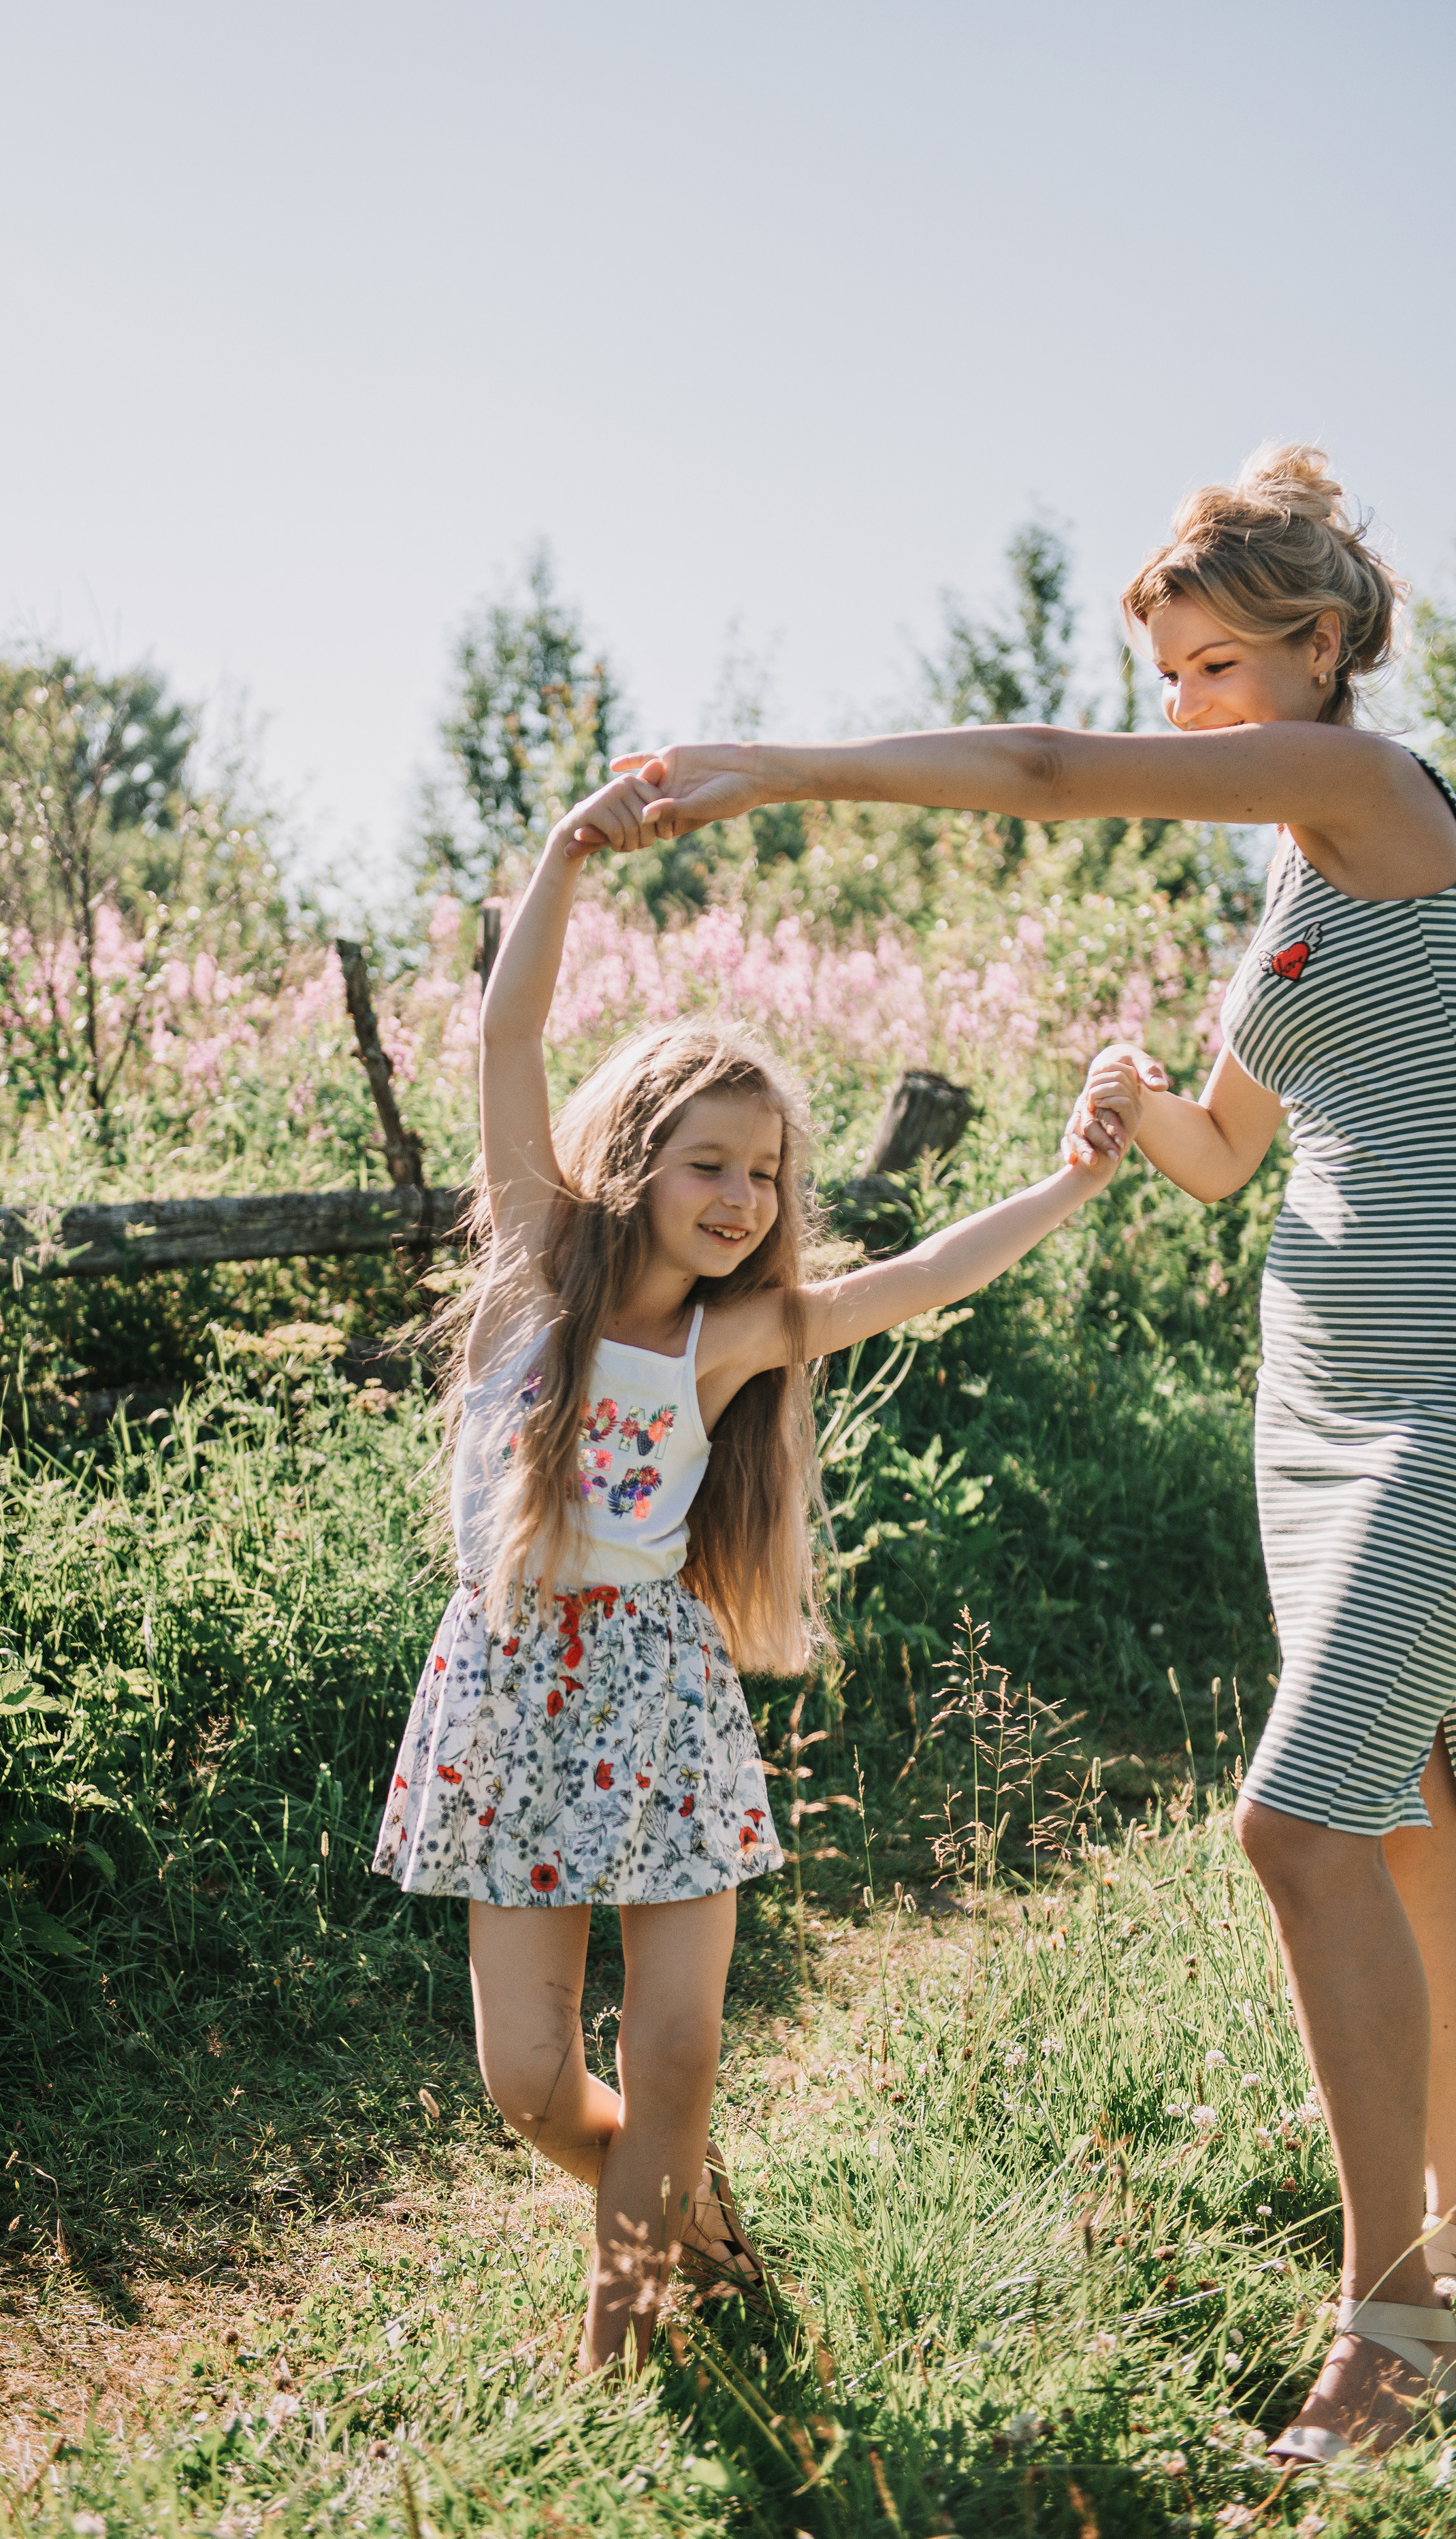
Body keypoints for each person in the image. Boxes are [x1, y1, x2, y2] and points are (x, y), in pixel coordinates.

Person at [611, 442, 1456, 2458]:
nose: (1179, 714)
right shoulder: (1295, 877)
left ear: (1317, 648)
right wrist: (1132, 1095)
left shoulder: (1370, 790)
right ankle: (1446, 2242)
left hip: (1435, 1392)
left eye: (1208, 668)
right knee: (1413, 1819)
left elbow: (1054, 778)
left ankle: (1396, 2327)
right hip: (1313, 1402)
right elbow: (1228, 1153)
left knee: (1301, 1822)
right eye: (1164, 677)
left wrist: (783, 763)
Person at [371, 772, 1127, 2374]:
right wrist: (563, 850)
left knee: (675, 2039)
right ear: (635, 1157)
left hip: (656, 1683)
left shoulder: (738, 1340)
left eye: (768, 1174)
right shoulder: (529, 1265)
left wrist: (1070, 1180)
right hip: (504, 1676)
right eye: (711, 1163)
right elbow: (506, 1046)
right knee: (523, 2076)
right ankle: (696, 2227)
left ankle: (621, 2342)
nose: (743, 1199)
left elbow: (920, 1277)